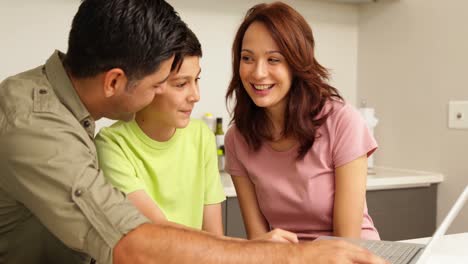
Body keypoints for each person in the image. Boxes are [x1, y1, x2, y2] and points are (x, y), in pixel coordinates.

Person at [0, 0, 387, 263]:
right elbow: (129, 241)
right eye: (158, 85)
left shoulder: (65, 109)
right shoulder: (34, 124)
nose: (188, 97)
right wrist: (289, 255)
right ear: (114, 82)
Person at [224, 1, 381, 243]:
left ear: (297, 63)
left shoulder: (341, 121)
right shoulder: (237, 138)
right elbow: (258, 240)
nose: (258, 73)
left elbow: (347, 242)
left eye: (273, 59)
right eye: (247, 58)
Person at [95, 29, 225, 235]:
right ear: (151, 83)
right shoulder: (112, 144)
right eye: (181, 84)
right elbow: (160, 233)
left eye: (196, 80)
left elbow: (215, 238)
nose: (196, 96)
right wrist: (249, 248)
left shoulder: (202, 136)